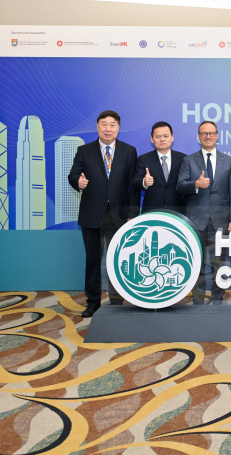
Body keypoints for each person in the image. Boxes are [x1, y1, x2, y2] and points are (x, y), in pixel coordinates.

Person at [67, 110, 139, 318]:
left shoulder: (129, 151)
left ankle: (117, 301)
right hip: (92, 214)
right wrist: (78, 182)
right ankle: (93, 302)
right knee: (92, 260)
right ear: (97, 126)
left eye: (112, 124)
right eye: (104, 124)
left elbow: (134, 185)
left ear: (118, 128)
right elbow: (73, 174)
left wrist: (132, 213)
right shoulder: (84, 150)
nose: (108, 128)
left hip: (119, 215)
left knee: (118, 260)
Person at [176, 120, 231, 305]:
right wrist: (196, 184)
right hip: (196, 222)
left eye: (211, 133)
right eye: (204, 133)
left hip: (222, 221)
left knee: (220, 263)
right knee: (198, 262)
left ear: (217, 136)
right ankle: (198, 301)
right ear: (199, 137)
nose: (208, 136)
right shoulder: (189, 160)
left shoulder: (229, 160)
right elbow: (180, 186)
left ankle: (218, 300)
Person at [133, 122, 186, 215]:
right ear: (152, 139)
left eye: (166, 136)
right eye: (158, 137)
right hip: (152, 212)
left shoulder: (183, 158)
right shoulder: (144, 159)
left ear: (172, 137)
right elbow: (136, 182)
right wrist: (144, 182)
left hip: (177, 212)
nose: (162, 139)